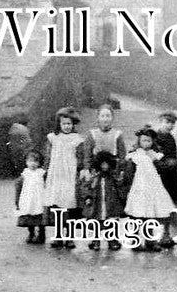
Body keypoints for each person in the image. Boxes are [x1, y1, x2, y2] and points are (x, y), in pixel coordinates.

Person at [124, 127, 177, 251]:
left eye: (148, 141)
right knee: (137, 214)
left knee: (150, 214)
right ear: (139, 141)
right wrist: (129, 185)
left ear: (152, 142)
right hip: (139, 188)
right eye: (143, 141)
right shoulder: (135, 154)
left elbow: (162, 168)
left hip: (153, 187)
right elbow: (130, 171)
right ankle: (135, 240)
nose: (146, 143)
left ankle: (150, 240)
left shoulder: (155, 154)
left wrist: (155, 160)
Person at [82, 104, 127, 251]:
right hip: (96, 175)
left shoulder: (117, 135)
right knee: (95, 206)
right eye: (102, 116)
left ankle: (112, 238)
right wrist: (88, 170)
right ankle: (95, 239)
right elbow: (87, 155)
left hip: (111, 177)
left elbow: (122, 156)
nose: (105, 119)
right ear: (98, 118)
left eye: (108, 116)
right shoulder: (92, 134)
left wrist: (118, 170)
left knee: (111, 206)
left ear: (112, 118)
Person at [43, 106, 87, 249]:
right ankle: (58, 235)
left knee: (70, 207)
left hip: (69, 177)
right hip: (56, 176)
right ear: (59, 124)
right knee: (56, 206)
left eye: (69, 124)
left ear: (73, 124)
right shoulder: (53, 138)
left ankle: (70, 237)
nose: (67, 126)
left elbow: (80, 158)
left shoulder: (77, 139)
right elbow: (48, 156)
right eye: (64, 124)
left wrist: (79, 172)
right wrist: (46, 170)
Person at [152, 112, 177, 247]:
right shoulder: (155, 137)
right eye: (166, 122)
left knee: (169, 205)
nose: (169, 125)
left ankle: (166, 234)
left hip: (170, 177)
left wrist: (174, 164)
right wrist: (165, 164)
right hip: (158, 176)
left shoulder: (171, 138)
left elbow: (174, 157)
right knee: (155, 206)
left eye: (172, 123)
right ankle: (151, 236)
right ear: (160, 121)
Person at [13, 150, 47, 244]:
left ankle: (41, 234)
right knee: (28, 217)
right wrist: (17, 201)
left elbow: (47, 186)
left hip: (39, 199)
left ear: (39, 163)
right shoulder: (25, 174)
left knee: (40, 216)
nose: (33, 164)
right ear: (26, 162)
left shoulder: (41, 173)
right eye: (30, 161)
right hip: (28, 199)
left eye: (36, 161)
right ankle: (31, 233)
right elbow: (18, 186)